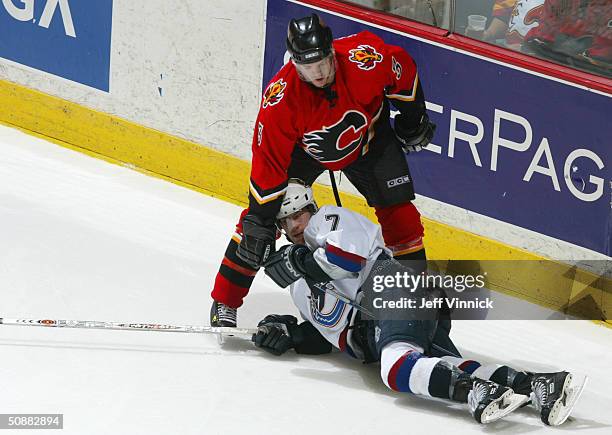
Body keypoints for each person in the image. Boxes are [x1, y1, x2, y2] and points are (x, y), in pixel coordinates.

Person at [253, 180, 587, 426]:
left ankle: (475, 392)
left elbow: (348, 260)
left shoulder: (330, 220)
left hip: (396, 289)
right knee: (447, 362)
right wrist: (289, 334)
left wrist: (301, 261)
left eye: (299, 214)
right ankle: (539, 384)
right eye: (286, 221)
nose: (295, 225)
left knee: (396, 369)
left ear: (311, 207)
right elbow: (332, 334)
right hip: (383, 324)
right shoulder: (299, 288)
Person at [210, 13, 436, 328]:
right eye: (307, 66)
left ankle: (417, 305)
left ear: (332, 51)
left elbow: (404, 71)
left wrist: (414, 120)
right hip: (306, 154)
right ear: (294, 62)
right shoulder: (280, 100)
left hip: (369, 139)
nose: (318, 73)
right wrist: (261, 219)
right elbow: (268, 161)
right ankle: (225, 299)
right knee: (256, 227)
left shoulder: (364, 58)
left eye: (322, 62)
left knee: (402, 217)